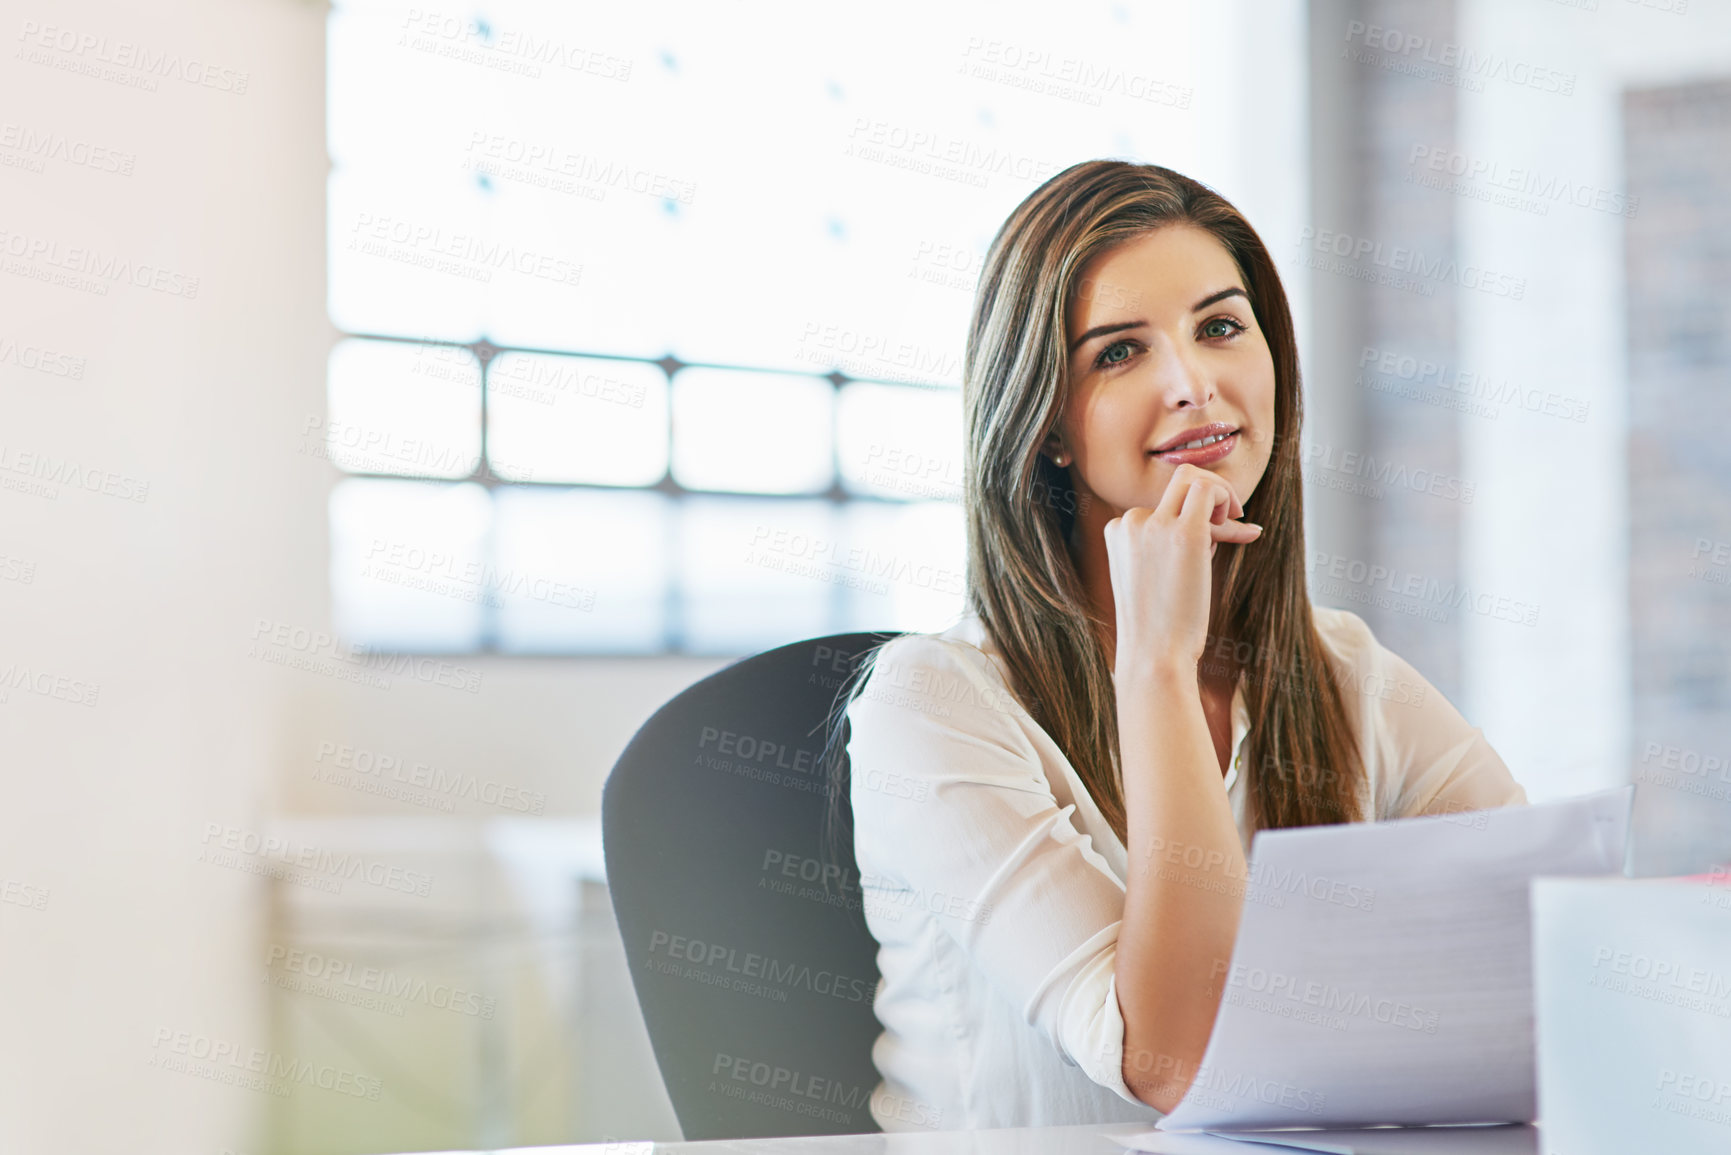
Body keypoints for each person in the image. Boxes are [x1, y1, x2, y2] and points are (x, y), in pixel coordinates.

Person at [828, 160, 1528, 1133]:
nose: (1193, 384)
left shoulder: (1344, 673)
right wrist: (1154, 664)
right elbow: (1183, 1061)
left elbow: (1540, 952)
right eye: (1118, 353)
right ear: (1048, 426)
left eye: (1221, 327)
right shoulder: (931, 704)